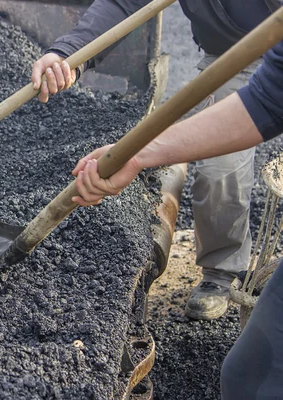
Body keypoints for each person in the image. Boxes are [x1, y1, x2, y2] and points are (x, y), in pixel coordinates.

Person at [31, 0, 282, 321]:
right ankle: (220, 272)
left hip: (276, 45)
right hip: (232, 56)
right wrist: (69, 53)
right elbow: (125, 3)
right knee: (219, 169)